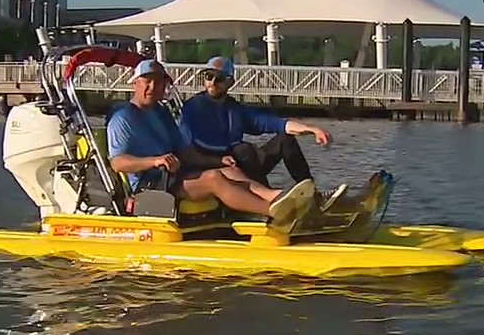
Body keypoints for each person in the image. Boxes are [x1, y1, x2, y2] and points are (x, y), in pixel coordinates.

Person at [105, 58, 315, 227]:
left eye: (158, 82)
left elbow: (185, 152)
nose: (152, 87)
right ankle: (272, 212)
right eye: (147, 81)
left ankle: (279, 197)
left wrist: (216, 160)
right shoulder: (123, 118)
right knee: (214, 178)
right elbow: (118, 163)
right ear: (135, 83)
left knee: (228, 169)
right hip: (150, 184)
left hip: (173, 174)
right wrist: (154, 161)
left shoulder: (161, 112)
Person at [179, 55, 346, 205]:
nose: (213, 83)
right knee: (243, 149)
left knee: (284, 139)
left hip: (240, 164)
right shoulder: (193, 108)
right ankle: (273, 204)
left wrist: (313, 130)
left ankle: (313, 197)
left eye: (219, 78)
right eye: (209, 77)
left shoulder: (235, 109)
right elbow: (190, 149)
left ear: (230, 82)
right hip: (211, 166)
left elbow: (276, 123)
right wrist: (220, 160)